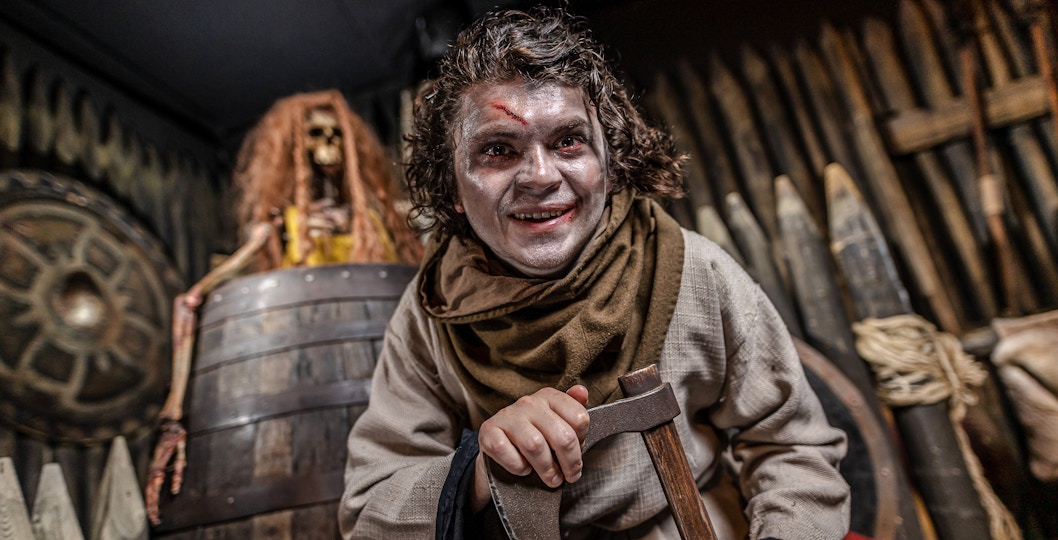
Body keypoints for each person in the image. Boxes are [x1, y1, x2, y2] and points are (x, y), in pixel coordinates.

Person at [339, 6, 850, 539]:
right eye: (498, 150)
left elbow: (794, 448)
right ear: (452, 189)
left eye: (567, 141)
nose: (540, 176)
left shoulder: (694, 272)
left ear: (609, 158)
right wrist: (482, 470)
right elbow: (371, 513)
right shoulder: (429, 317)